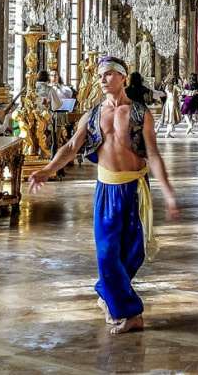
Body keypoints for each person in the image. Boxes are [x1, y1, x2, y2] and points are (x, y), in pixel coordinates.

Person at [28, 57, 179, 335]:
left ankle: (108, 294)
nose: (102, 80)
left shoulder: (140, 113)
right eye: (100, 76)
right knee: (107, 252)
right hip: (107, 190)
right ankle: (131, 313)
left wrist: (168, 194)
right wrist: (47, 170)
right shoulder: (93, 115)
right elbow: (72, 146)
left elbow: (154, 155)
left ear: (122, 77)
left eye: (108, 74)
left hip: (134, 188)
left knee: (133, 253)